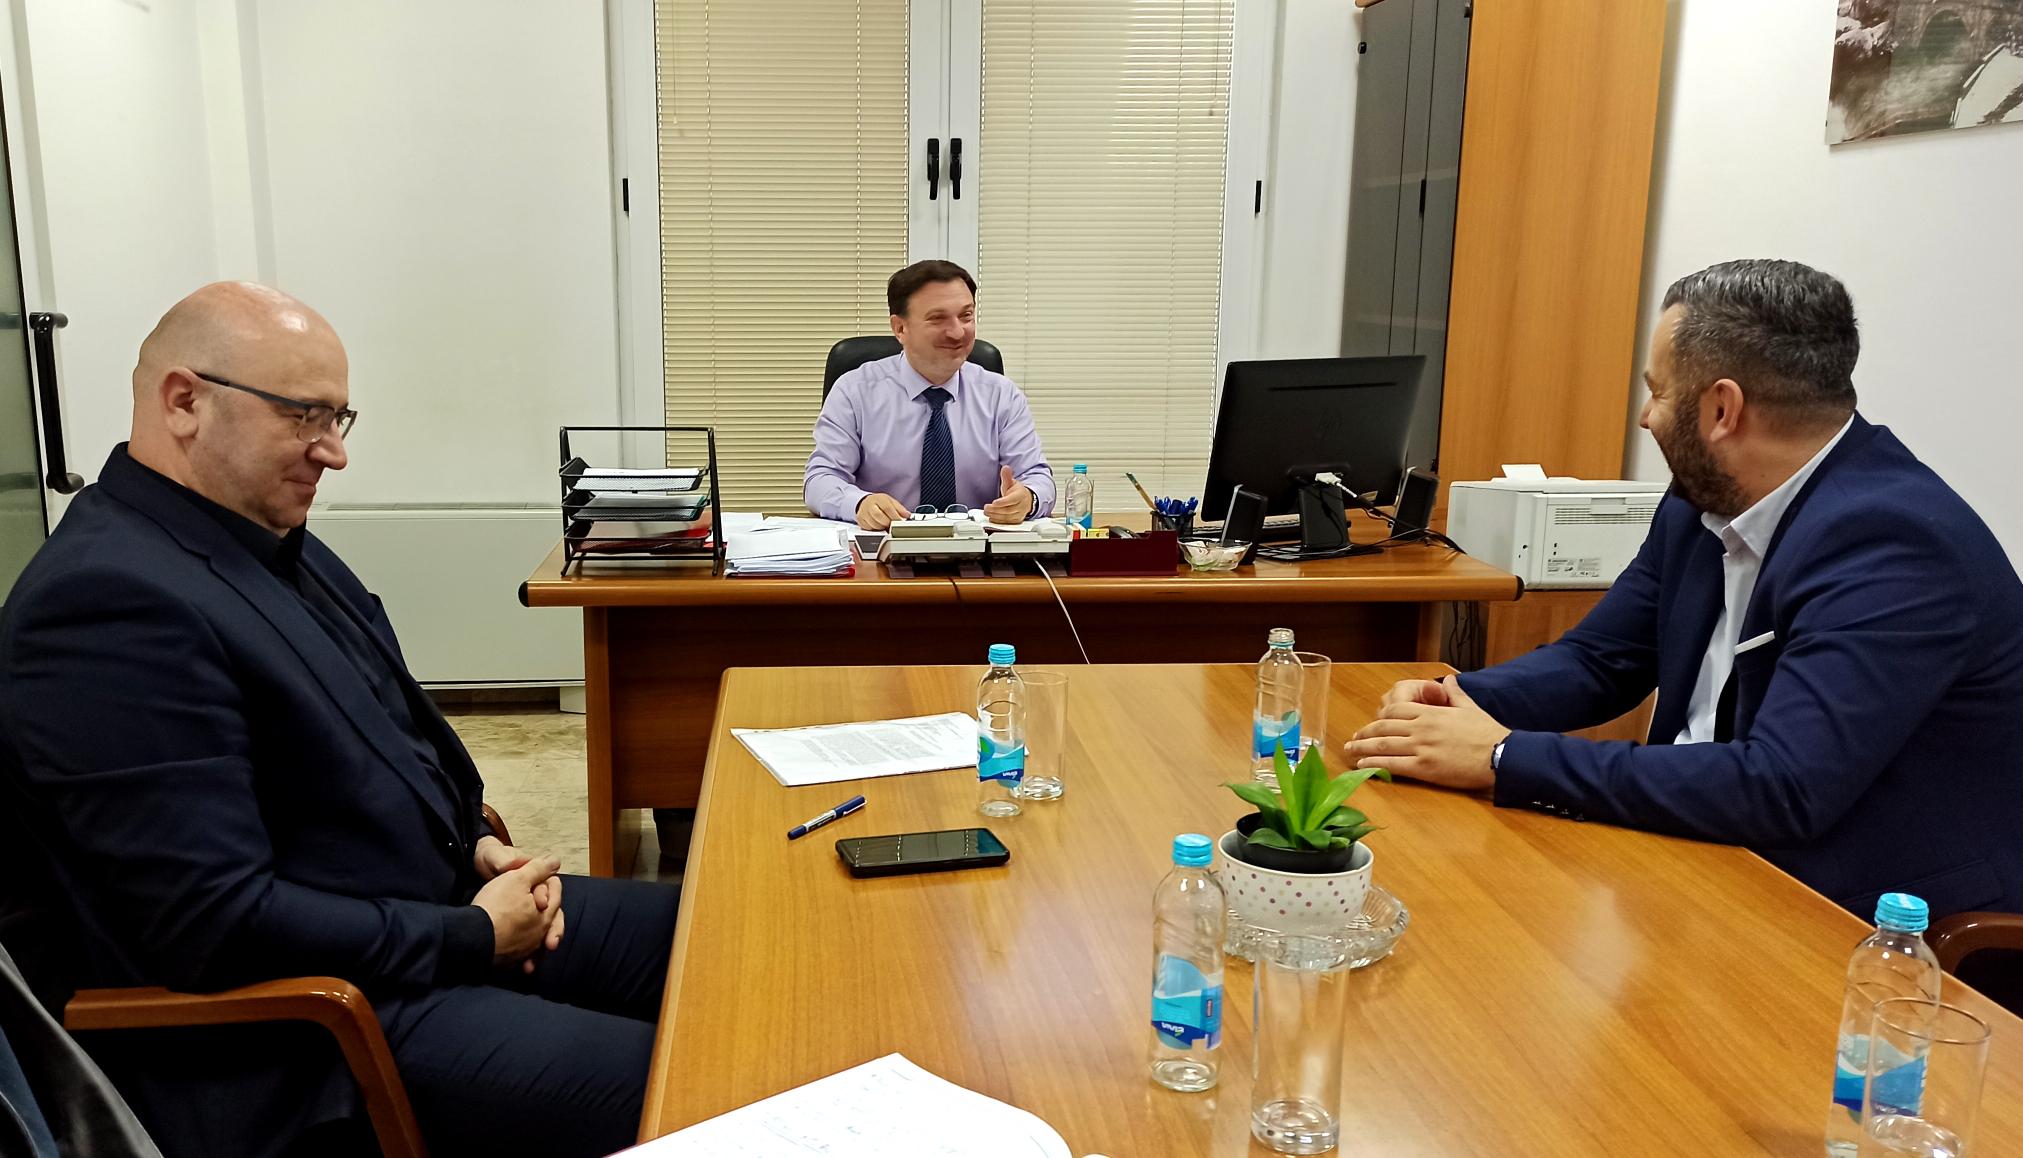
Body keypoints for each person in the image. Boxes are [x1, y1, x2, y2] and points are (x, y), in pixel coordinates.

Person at [0, 283, 681, 1158]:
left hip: (418, 918)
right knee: (715, 1073)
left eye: (338, 418)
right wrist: (472, 938)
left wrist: (474, 841)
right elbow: (212, 926)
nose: (334, 452)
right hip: (304, 1032)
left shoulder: (262, 539)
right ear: (183, 402)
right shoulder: (105, 604)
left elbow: (386, 741)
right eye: (304, 417)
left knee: (740, 941)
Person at [1346, 259, 2023, 920]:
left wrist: (1500, 756)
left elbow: (1783, 786)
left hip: (1865, 915)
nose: (1646, 417)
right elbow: (1601, 660)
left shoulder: (1894, 544)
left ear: (1722, 408)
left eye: (1658, 392)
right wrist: (1456, 699)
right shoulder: (1703, 498)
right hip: (1702, 854)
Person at [804, 260, 1055, 530]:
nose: (957, 332)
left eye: (966, 316)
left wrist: (1028, 498)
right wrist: (860, 503)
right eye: (938, 319)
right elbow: (820, 480)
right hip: (885, 546)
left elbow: (1037, 477)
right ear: (900, 328)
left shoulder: (1001, 395)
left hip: (977, 547)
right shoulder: (855, 391)